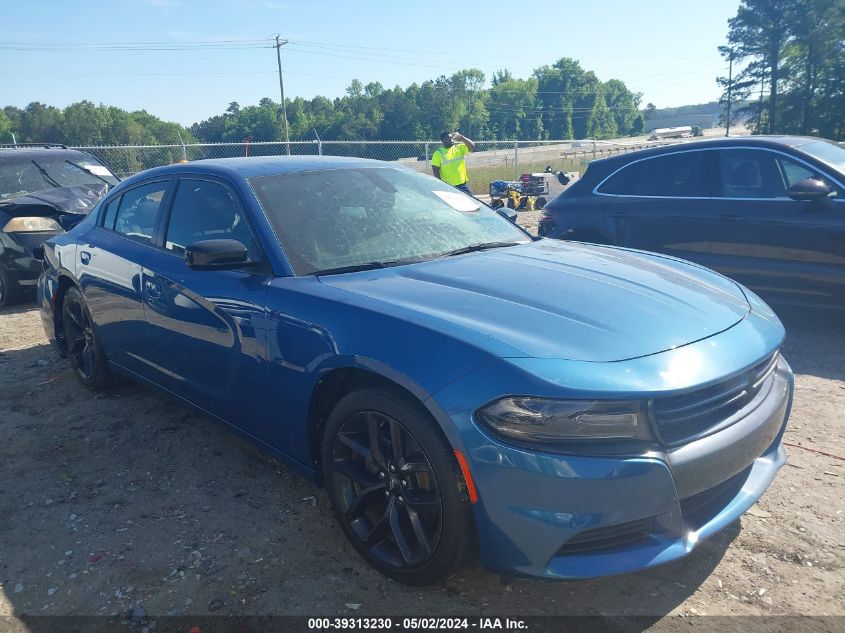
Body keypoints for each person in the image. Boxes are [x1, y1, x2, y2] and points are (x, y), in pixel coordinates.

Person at [431, 131, 475, 195]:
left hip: (462, 185)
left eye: (452, 137)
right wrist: (441, 186)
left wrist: (461, 137)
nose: (451, 139)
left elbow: (472, 146)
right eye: (449, 138)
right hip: (448, 187)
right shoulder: (438, 153)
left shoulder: (459, 147)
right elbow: (436, 172)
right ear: (443, 140)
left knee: (472, 202)